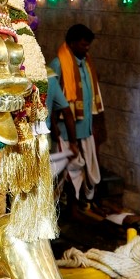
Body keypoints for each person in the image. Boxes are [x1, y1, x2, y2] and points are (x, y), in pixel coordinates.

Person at [50, 23, 105, 203]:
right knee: (65, 170)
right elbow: (49, 97)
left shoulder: (87, 63)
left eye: (88, 45)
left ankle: (81, 203)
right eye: (83, 45)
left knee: (83, 168)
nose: (87, 48)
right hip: (65, 130)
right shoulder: (58, 64)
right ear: (72, 43)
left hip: (84, 128)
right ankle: (62, 206)